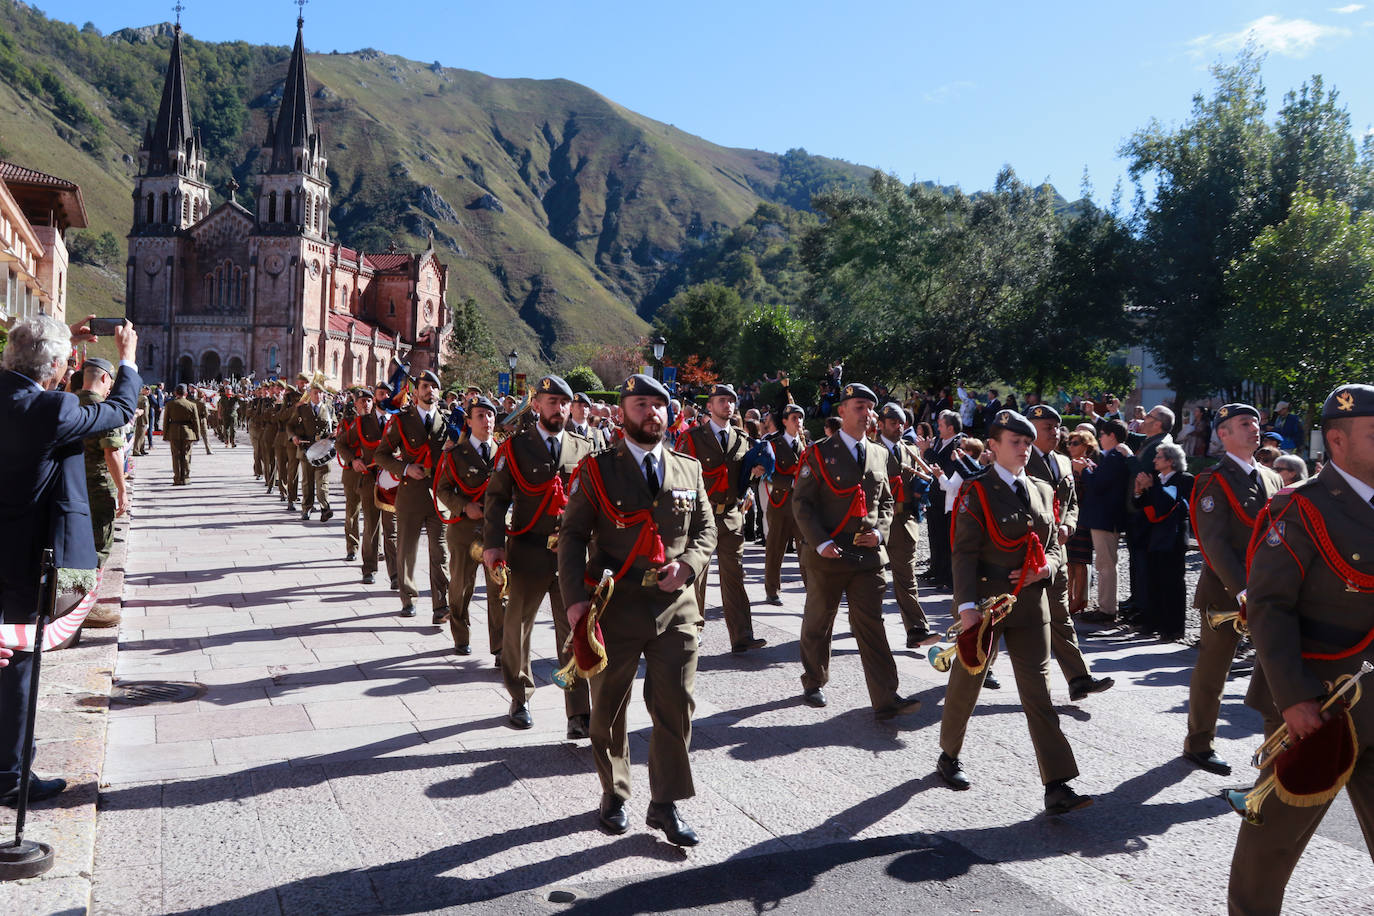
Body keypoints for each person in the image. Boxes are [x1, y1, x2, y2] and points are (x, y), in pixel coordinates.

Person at [1227, 383, 1374, 915]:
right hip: (1319, 704)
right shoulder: (1299, 508)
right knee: (1272, 847)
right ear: (1336, 441)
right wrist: (1293, 697)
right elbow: (1269, 608)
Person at [558, 374, 715, 845]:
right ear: (623, 412)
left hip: (676, 606)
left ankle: (664, 804)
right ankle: (615, 791)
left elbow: (706, 530)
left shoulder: (689, 468)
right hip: (617, 603)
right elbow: (571, 536)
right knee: (608, 707)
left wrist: (688, 566)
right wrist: (575, 602)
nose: (652, 413)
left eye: (659, 405)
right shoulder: (598, 469)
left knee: (676, 705)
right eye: (641, 404)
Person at [1, 315, 139, 806]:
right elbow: (119, 409)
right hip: (26, 558)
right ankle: (11, 776)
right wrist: (128, 358)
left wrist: (66, 344)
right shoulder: (54, 408)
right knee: (18, 664)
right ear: (57, 369)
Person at [935, 409, 1093, 816]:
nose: (1023, 449)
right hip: (987, 603)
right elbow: (964, 552)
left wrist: (1049, 567)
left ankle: (1056, 784)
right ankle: (948, 754)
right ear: (993, 446)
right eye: (1014, 442)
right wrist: (966, 607)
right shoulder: (977, 491)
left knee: (1038, 692)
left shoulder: (1041, 487)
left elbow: (1055, 544)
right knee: (968, 681)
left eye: (1027, 443)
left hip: (1032, 603)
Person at [792, 383, 922, 720]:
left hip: (867, 557)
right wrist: (820, 542)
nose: (867, 414)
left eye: (871, 408)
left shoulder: (881, 454)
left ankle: (886, 696)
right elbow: (802, 503)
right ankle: (814, 679)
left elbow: (888, 501)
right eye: (859, 406)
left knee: (872, 625)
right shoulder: (819, 452)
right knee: (819, 621)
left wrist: (879, 533)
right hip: (828, 553)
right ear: (843, 411)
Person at [483, 374, 593, 736]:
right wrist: (494, 545)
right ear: (537, 405)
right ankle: (520, 696)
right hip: (528, 549)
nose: (558, 408)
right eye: (551, 401)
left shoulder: (584, 448)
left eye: (564, 402)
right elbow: (496, 499)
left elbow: (595, 503)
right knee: (518, 628)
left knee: (574, 630)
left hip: (570, 556)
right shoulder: (515, 448)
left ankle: (578, 712)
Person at [1183, 403, 1282, 776]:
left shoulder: (1272, 479)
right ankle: (1199, 743)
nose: (1254, 428)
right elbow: (1213, 543)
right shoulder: (1213, 480)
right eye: (1244, 424)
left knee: (1277, 667)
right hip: (1227, 594)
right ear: (1223, 434)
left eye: (1256, 423)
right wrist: (1242, 590)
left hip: (1269, 591)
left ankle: (1277, 747)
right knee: (1214, 670)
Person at [1024, 405, 1114, 701]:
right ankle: (974, 666)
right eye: (1047, 426)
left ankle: (1078, 678)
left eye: (1056, 427)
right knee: (1004, 617)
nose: (1055, 432)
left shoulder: (1063, 462)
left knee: (1060, 616)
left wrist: (1069, 526)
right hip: (1025, 553)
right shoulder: (1019, 459)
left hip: (1056, 553)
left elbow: (1071, 503)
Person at [675, 384, 765, 654]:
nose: (728, 405)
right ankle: (693, 630)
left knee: (734, 575)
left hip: (731, 516)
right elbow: (680, 479)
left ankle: (742, 634)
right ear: (710, 406)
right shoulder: (692, 438)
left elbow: (742, 474)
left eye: (731, 401)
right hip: (700, 519)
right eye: (721, 401)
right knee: (696, 576)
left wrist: (753, 478)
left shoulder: (741, 438)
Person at [375, 370, 451, 621]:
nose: (430, 390)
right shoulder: (402, 419)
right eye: (425, 386)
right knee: (407, 550)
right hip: (410, 494)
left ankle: (441, 605)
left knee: (440, 552)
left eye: (434, 387)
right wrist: (406, 468)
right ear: (416, 391)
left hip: (439, 498)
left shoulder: (448, 421)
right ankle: (408, 598)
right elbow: (381, 455)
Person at [435, 395, 503, 658]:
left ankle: (499, 646)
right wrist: (464, 506)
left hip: (495, 531)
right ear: (469, 421)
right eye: (480, 416)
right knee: (462, 586)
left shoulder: (503, 453)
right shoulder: (457, 454)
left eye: (490, 415)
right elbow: (442, 489)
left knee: (499, 590)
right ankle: (461, 636)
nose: (486, 421)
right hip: (464, 530)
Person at [876, 402, 935, 646]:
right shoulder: (870, 448)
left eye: (902, 423)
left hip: (904, 522)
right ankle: (863, 623)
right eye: (893, 423)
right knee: (873, 580)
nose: (899, 427)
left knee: (906, 578)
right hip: (877, 523)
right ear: (881, 425)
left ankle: (916, 630)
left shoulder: (909, 449)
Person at [337, 384, 398, 589]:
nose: (386, 397)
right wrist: (353, 460)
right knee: (371, 527)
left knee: (392, 531)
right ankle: (369, 568)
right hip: (369, 481)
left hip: (393, 485)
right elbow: (341, 443)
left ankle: (396, 575)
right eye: (382, 394)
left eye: (389, 394)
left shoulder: (399, 421)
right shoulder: (362, 422)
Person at [1132, 443, 1193, 641]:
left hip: (1173, 537)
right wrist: (1139, 491)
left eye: (1158, 457)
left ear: (1170, 460)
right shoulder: (1156, 479)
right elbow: (1142, 504)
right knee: (1153, 580)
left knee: (1173, 583)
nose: (1154, 460)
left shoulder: (1184, 479)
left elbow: (1168, 504)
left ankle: (1173, 627)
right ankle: (1153, 622)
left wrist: (1151, 487)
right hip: (1155, 536)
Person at [76, 359, 130, 577]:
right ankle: (87, 602)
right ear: (106, 378)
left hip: (67, 485)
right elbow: (113, 452)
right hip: (96, 486)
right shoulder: (105, 411)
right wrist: (122, 490)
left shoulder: (65, 403)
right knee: (99, 545)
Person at [1123, 406, 1174, 623]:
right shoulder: (1151, 440)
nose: (1144, 419)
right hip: (1138, 507)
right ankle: (1136, 601)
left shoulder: (1160, 445)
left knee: (1143, 561)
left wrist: (1128, 457)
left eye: (1149, 416)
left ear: (1158, 424)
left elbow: (1142, 473)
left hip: (1146, 510)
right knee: (1136, 559)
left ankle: (1143, 607)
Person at [1077, 419, 1131, 627]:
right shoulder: (1114, 457)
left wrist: (1084, 471)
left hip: (1106, 517)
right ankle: (1105, 606)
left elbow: (1098, 484)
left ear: (1112, 436)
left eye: (1103, 434)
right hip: (1105, 517)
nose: (1100, 438)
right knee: (1105, 563)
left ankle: (1107, 609)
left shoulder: (1115, 457)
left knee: (1106, 564)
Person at [762, 404, 808, 605]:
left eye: (800, 418)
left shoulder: (808, 446)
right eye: (794, 418)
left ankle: (812, 588)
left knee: (806, 550)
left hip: (802, 506)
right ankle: (772, 590)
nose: (798, 421)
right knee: (775, 549)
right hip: (780, 503)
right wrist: (791, 482)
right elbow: (768, 473)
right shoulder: (773, 444)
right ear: (784, 421)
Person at [922, 410, 967, 589]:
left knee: (945, 538)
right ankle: (935, 569)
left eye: (941, 425)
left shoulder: (958, 443)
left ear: (950, 427)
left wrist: (928, 451)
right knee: (934, 534)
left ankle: (946, 574)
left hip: (947, 497)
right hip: (935, 495)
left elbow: (946, 467)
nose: (938, 428)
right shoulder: (941, 441)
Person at [290, 381, 336, 522]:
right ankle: (307, 508)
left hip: (324, 450)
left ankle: (324, 507)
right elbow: (290, 426)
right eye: (315, 392)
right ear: (310, 394)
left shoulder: (329, 409)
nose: (318, 395)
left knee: (323, 481)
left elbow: (335, 425)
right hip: (306, 450)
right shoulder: (302, 409)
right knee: (307, 482)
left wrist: (335, 432)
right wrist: (293, 437)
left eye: (320, 392)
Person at [1063, 429, 1098, 615]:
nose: (1070, 446)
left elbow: (1087, 492)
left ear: (1086, 446)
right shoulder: (1067, 464)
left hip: (1083, 518)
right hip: (1069, 517)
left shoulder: (1089, 466)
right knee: (1068, 561)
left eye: (1075, 443)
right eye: (1069, 443)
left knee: (1080, 563)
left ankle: (1079, 600)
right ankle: (1068, 597)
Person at [162, 384, 200, 486]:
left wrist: (165, 435)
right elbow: (196, 421)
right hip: (188, 433)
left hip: (174, 431)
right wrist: (197, 435)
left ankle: (177, 478)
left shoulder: (170, 404)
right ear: (186, 393)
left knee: (176, 456)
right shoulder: (192, 405)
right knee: (186, 456)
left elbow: (166, 421)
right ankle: (186, 478)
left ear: (175, 393)